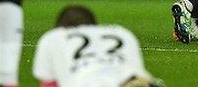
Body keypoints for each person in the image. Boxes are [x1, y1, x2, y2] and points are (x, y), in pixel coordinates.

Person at [33, 5, 163, 87]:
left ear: (62, 27)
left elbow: (49, 84)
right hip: (131, 79)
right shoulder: (121, 32)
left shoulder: (55, 36)